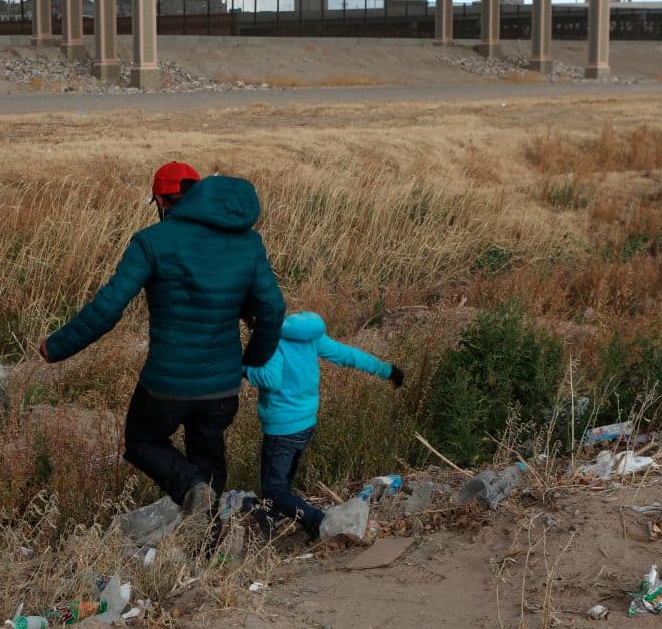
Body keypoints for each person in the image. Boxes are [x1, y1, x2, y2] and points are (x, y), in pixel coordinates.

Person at [40, 162, 285, 515]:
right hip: (222, 389)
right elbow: (273, 308)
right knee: (208, 456)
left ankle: (190, 487)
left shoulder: (151, 242)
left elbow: (108, 308)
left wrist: (57, 347)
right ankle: (208, 541)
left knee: (142, 441)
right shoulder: (248, 242)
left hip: (166, 387)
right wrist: (252, 360)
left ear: (160, 200)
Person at [243, 311, 404, 539]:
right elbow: (347, 355)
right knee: (281, 481)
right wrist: (387, 370)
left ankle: (316, 523)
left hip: (282, 429)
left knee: (274, 489)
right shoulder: (306, 334)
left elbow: (270, 379)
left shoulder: (270, 339)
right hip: (306, 425)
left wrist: (244, 367)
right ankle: (270, 516)